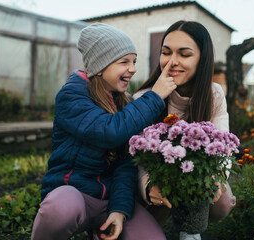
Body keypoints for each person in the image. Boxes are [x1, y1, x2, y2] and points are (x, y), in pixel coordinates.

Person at [31, 23, 177, 240]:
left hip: (108, 200)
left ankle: (100, 231)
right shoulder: (72, 96)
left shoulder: (125, 103)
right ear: (100, 65)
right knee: (61, 210)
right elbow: (109, 131)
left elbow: (126, 163)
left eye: (134, 62)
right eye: (124, 62)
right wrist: (155, 97)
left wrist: (119, 210)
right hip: (73, 194)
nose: (133, 69)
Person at [133, 20, 237, 240]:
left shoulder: (213, 93)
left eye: (184, 54)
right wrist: (147, 185)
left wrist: (218, 176)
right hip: (158, 180)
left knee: (223, 201)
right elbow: (136, 159)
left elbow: (223, 148)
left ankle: (189, 229)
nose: (172, 62)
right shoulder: (143, 99)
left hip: (193, 176)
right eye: (166, 52)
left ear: (202, 59)